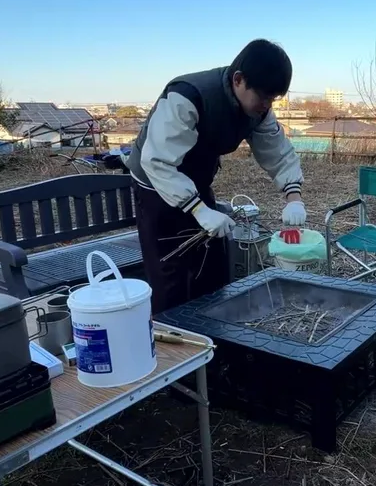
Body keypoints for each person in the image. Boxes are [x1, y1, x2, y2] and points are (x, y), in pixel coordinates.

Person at [125, 39, 307, 314]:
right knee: (170, 279)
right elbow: (158, 162)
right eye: (263, 96)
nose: (267, 105)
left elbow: (277, 151)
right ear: (238, 80)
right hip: (155, 187)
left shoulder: (258, 110)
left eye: (273, 99)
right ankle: (171, 336)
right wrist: (199, 210)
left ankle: (212, 332)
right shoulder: (187, 97)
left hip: (196, 185)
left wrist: (294, 198)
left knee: (212, 272)